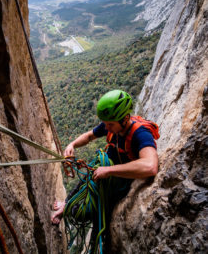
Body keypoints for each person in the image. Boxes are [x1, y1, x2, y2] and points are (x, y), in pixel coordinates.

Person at [51, 89, 159, 250]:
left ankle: (94, 242)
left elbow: (150, 166)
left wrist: (109, 170)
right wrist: (72, 145)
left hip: (121, 181)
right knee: (86, 179)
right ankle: (65, 206)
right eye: (105, 124)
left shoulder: (141, 134)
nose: (106, 128)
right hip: (106, 170)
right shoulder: (111, 123)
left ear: (125, 118)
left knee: (92, 213)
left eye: (110, 125)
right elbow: (89, 136)